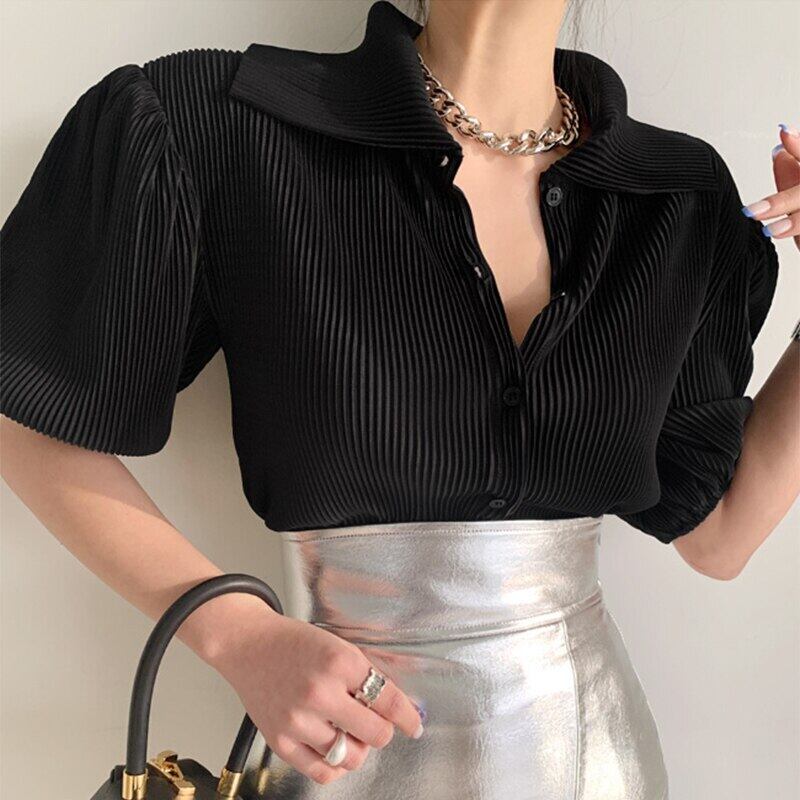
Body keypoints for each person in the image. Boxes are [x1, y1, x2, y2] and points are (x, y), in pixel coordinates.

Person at [1, 1, 798, 798]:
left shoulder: (677, 195)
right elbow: (28, 416)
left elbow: (718, 537)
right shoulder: (220, 122)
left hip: (595, 764)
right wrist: (237, 634)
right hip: (341, 763)